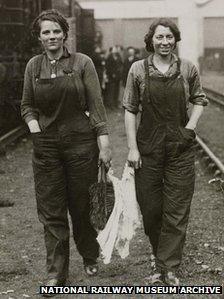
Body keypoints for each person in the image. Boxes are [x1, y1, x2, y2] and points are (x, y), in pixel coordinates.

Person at [20, 9, 111, 290]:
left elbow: (96, 107)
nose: (52, 36)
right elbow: (27, 107)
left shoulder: (83, 63)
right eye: (46, 32)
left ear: (65, 34)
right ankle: (56, 273)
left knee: (81, 206)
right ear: (39, 37)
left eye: (56, 31)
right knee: (51, 210)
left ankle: (89, 254)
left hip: (81, 145)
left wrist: (103, 143)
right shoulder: (33, 67)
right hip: (46, 146)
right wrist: (36, 130)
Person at [123, 18, 208, 285]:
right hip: (147, 148)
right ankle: (161, 257)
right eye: (159, 37)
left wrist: (190, 128)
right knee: (150, 208)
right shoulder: (138, 69)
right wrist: (132, 148)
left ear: (175, 39)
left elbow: (199, 100)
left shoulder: (187, 68)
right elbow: (130, 110)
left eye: (169, 37)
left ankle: (169, 267)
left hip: (179, 147)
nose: (164, 42)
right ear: (151, 40)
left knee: (177, 208)